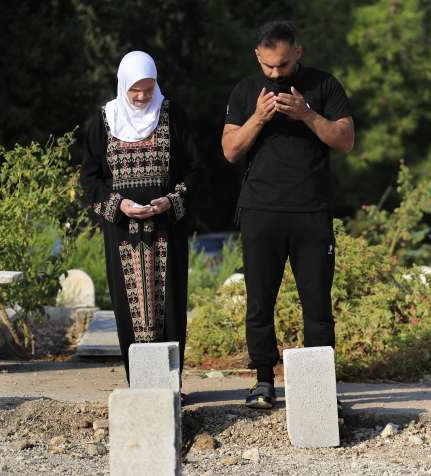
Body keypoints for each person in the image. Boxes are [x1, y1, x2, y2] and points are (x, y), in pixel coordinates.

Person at [222, 21, 354, 409]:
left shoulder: (325, 86)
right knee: (259, 301)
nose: (276, 74)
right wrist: (259, 118)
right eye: (268, 67)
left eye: (282, 65)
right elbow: (230, 150)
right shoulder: (246, 91)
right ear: (257, 57)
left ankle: (318, 387)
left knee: (317, 302)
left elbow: (346, 140)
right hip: (260, 210)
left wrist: (308, 114)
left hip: (311, 210)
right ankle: (264, 381)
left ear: (298, 51)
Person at [81, 51, 200, 403]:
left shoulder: (172, 115)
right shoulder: (105, 120)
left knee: (171, 305)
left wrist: (170, 200)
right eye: (135, 90)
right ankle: (142, 387)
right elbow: (90, 178)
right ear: (123, 86)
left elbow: (195, 170)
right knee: (129, 308)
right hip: (123, 235)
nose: (142, 97)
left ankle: (171, 387)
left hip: (166, 230)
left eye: (148, 89)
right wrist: (118, 205)